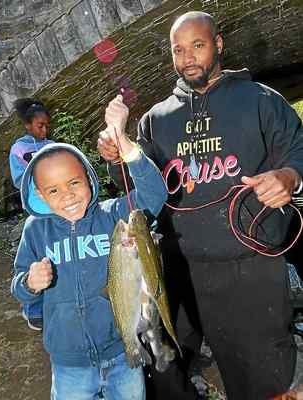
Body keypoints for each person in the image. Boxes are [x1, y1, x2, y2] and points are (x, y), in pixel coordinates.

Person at [97, 11, 303, 400]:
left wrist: (289, 177)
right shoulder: (156, 119)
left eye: (198, 45)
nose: (188, 57)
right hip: (179, 267)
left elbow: (297, 150)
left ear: (219, 44)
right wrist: (115, 155)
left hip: (251, 269)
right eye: (179, 50)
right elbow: (140, 187)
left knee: (261, 376)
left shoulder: (261, 101)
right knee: (164, 366)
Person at [11, 94, 168, 400]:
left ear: (90, 180)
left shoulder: (113, 217)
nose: (67, 196)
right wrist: (29, 282)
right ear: (40, 196)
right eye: (53, 190)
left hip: (122, 354)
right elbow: (17, 287)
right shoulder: (36, 231)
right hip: (69, 366)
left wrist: (127, 147)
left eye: (74, 183)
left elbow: (154, 196)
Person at [9, 98, 53, 331]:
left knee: (53, 258)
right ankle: (33, 310)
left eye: (46, 125)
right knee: (35, 260)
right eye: (39, 126)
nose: (44, 130)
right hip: (37, 211)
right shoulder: (19, 149)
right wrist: (38, 176)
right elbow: (19, 179)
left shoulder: (52, 145)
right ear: (28, 125)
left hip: (56, 210)